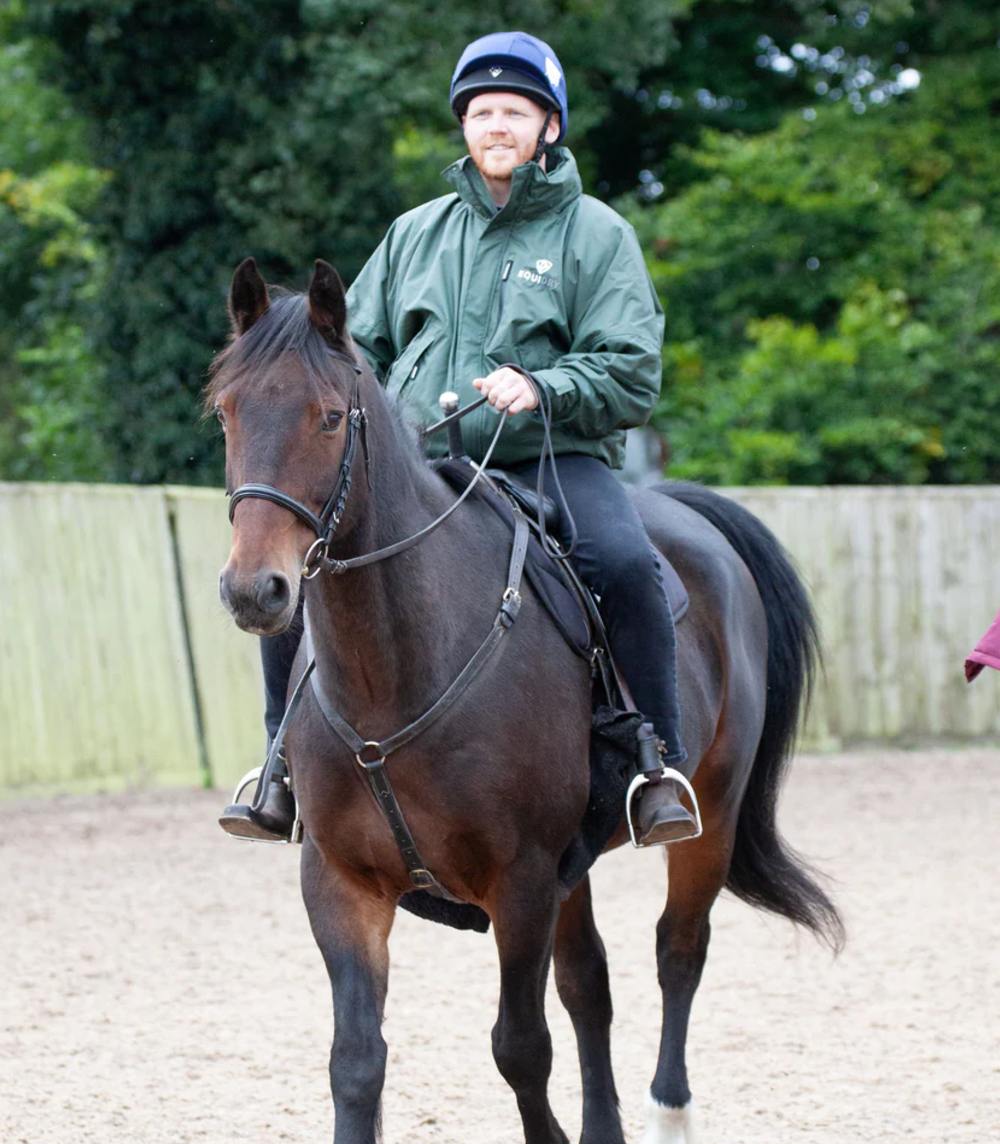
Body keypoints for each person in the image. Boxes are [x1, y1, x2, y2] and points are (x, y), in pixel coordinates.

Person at [220, 30, 700, 846]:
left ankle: (655, 761)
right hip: (423, 466)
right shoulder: (416, 233)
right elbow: (348, 348)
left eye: (516, 110)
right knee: (298, 558)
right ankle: (280, 764)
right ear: (464, 127)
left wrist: (544, 386)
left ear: (550, 127)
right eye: (481, 112)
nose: (496, 126)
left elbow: (632, 370)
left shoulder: (597, 234)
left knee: (622, 560)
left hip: (550, 459)